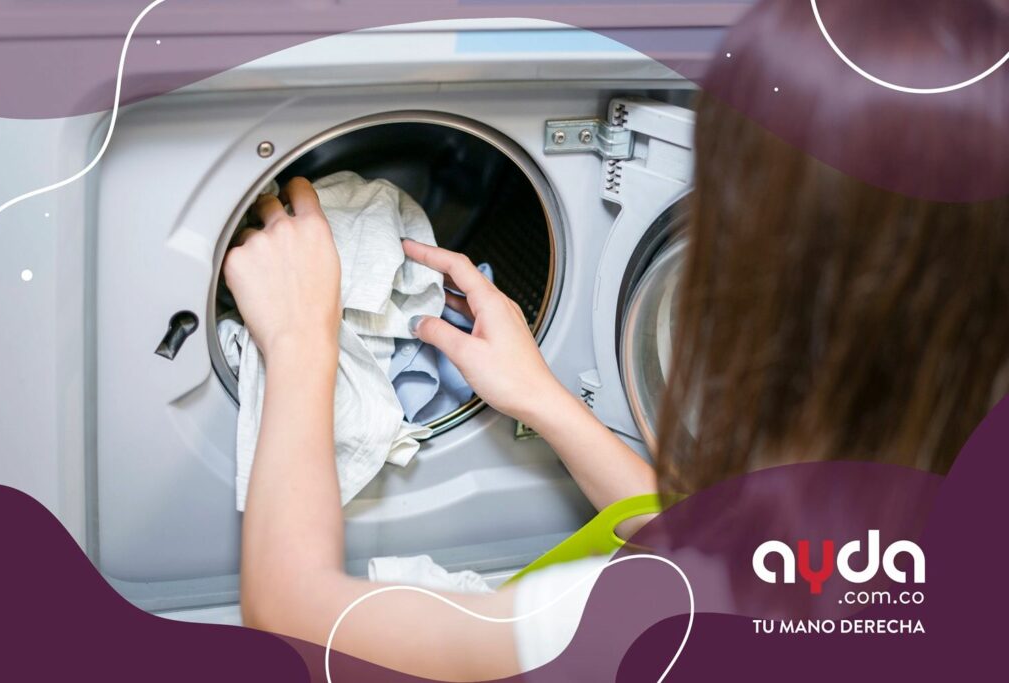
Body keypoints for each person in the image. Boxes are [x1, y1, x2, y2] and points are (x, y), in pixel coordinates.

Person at [223, 0, 1009, 678]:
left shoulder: (649, 618)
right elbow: (735, 550)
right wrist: (546, 399)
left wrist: (303, 338)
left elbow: (294, 617)